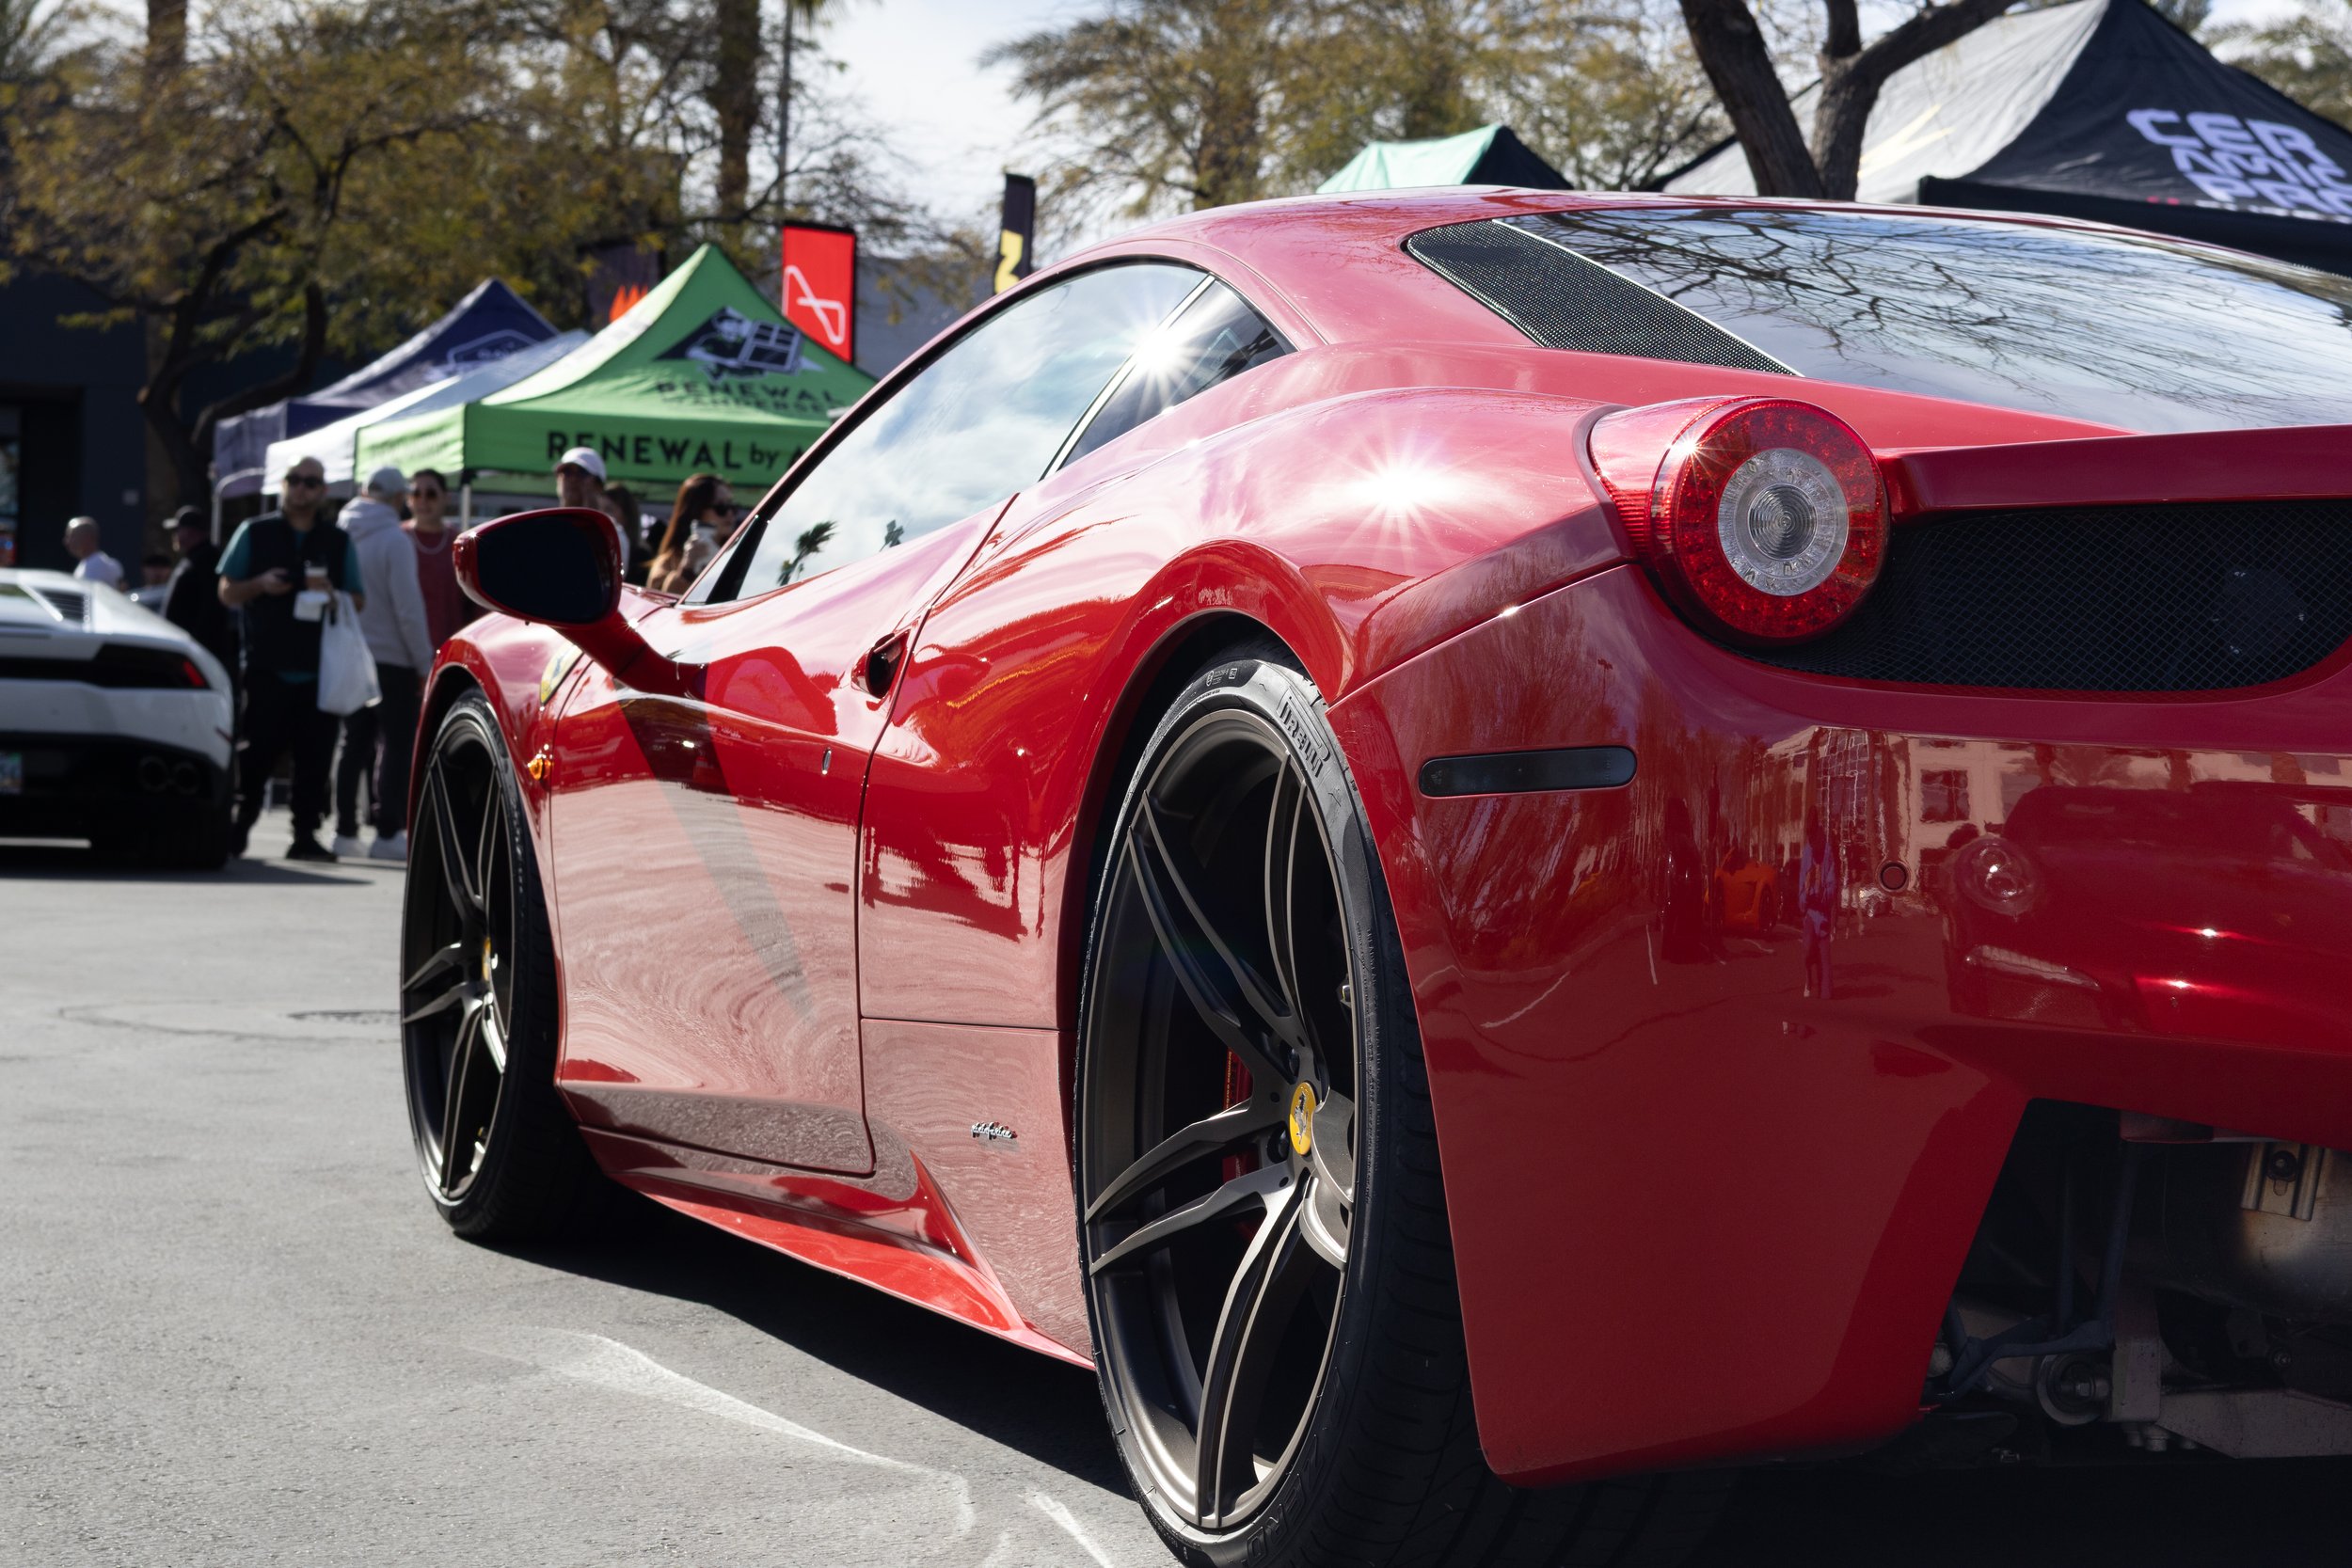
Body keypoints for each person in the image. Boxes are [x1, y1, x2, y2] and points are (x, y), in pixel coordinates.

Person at [216, 457, 366, 862]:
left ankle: (304, 835)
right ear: (282, 485)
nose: (302, 489)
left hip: (320, 668)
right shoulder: (255, 532)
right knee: (257, 753)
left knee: (315, 758)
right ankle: (239, 825)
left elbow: (359, 598)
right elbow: (227, 591)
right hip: (266, 664)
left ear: (323, 491)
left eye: (312, 482)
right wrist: (261, 584)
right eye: (295, 480)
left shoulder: (337, 541)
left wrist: (333, 593)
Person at [334, 466, 433, 863]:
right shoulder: (394, 539)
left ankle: (344, 830)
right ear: (397, 497)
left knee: (352, 743)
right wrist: (423, 661)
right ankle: (388, 831)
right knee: (395, 743)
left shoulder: (341, 534)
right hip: (392, 656)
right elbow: (408, 608)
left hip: (350, 653)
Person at [162, 505, 236, 683]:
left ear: (189, 532)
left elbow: (210, 612)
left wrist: (196, 652)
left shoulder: (207, 560)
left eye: (177, 530)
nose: (175, 535)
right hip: (186, 653)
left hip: (198, 657)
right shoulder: (195, 558)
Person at [405, 468, 474, 651]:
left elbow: (474, 605)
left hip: (450, 651)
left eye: (431, 494)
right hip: (404, 654)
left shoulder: (460, 542)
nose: (423, 500)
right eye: (416, 493)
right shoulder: (397, 539)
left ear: (446, 497)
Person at [645, 472, 737, 594]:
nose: (730, 513)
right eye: (721, 507)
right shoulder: (667, 563)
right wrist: (687, 570)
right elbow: (662, 605)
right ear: (696, 511)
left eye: (732, 505)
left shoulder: (739, 554)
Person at [554, 446, 632, 570]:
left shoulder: (612, 531)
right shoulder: (548, 525)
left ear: (598, 486)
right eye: (567, 472)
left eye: (581, 473)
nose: (573, 479)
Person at [64, 516, 124, 588]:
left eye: (72, 536)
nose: (67, 542)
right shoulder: (88, 563)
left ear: (87, 538)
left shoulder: (96, 566)